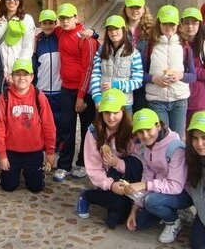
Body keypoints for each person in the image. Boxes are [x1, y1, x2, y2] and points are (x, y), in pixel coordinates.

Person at [76, 89, 143, 229]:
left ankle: (120, 205)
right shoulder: (93, 132)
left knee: (133, 162)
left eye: (116, 112)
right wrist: (110, 185)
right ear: (101, 113)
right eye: (107, 112)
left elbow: (138, 160)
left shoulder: (132, 131)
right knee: (116, 212)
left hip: (128, 175)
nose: (111, 117)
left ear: (123, 111)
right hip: (108, 177)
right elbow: (93, 167)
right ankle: (88, 195)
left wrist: (118, 163)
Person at [125, 108, 191, 244]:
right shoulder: (143, 145)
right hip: (160, 188)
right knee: (139, 223)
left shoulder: (175, 147)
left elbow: (176, 186)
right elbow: (148, 173)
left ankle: (173, 221)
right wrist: (135, 207)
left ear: (158, 126)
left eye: (149, 129)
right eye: (140, 131)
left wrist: (145, 186)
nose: (145, 135)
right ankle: (163, 210)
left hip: (183, 192)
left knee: (151, 201)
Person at [0, 59, 56, 193]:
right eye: (17, 74)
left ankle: (30, 172)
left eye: (25, 74)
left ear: (32, 77)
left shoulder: (39, 96)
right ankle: (11, 173)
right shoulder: (5, 97)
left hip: (33, 151)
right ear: (11, 76)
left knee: (36, 187)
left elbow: (48, 125)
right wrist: (1, 155)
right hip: (12, 151)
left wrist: (50, 151)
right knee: (8, 186)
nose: (21, 78)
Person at [53, 3, 98, 181]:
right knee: (66, 128)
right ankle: (64, 165)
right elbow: (47, 29)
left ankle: (83, 164)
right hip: (66, 88)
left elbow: (89, 68)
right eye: (61, 18)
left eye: (68, 17)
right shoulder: (61, 32)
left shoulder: (86, 39)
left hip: (84, 91)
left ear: (76, 18)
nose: (64, 21)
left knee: (87, 130)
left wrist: (81, 96)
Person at [142, 5, 196, 138]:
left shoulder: (184, 46)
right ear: (159, 23)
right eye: (165, 23)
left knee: (177, 138)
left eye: (172, 23)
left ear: (178, 24)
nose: (169, 27)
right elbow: (140, 74)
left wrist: (181, 75)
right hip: (156, 100)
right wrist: (154, 78)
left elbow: (193, 76)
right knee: (160, 138)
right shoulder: (150, 45)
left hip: (179, 100)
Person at [90, 15, 143, 115]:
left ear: (123, 30)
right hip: (104, 103)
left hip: (124, 104)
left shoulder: (134, 53)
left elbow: (138, 81)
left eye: (117, 29)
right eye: (110, 29)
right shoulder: (101, 51)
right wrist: (97, 98)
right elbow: (95, 76)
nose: (113, 32)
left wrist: (115, 85)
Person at [0, 0, 35, 83]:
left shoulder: (26, 20)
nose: (12, 1)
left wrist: (16, 73)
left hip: (19, 76)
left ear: (20, 1)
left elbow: (27, 48)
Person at [33, 9, 62, 148]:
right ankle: (43, 145)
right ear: (40, 24)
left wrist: (94, 32)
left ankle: (56, 146)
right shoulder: (37, 41)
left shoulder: (60, 38)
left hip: (59, 89)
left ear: (56, 24)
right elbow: (33, 64)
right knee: (42, 120)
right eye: (45, 23)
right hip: (42, 89)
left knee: (58, 120)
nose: (48, 26)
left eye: (51, 23)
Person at [121, 0, 153, 112]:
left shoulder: (151, 29)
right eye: (131, 7)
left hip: (143, 82)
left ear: (144, 9)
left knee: (140, 117)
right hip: (124, 82)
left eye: (138, 7)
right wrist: (93, 33)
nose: (134, 11)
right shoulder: (119, 28)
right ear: (125, 9)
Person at [181, 7, 205, 127]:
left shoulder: (203, 45)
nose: (190, 26)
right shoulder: (176, 43)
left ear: (200, 24)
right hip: (179, 99)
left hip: (199, 101)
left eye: (194, 23)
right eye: (186, 23)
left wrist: (191, 70)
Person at [185, 111, 205, 249]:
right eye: (195, 138)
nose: (199, 144)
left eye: (204, 137)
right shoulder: (192, 158)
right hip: (203, 210)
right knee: (198, 244)